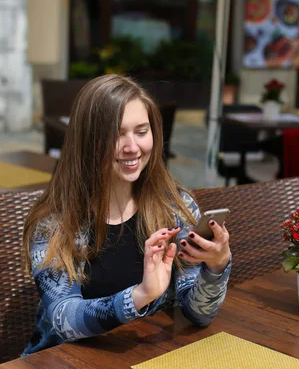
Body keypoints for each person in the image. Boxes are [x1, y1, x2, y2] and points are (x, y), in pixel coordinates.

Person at [22, 74, 232, 354]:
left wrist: (216, 267)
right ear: (87, 141)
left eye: (141, 131)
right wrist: (140, 295)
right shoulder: (56, 222)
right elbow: (63, 319)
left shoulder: (174, 207)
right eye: (117, 134)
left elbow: (199, 314)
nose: (132, 147)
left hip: (145, 354)